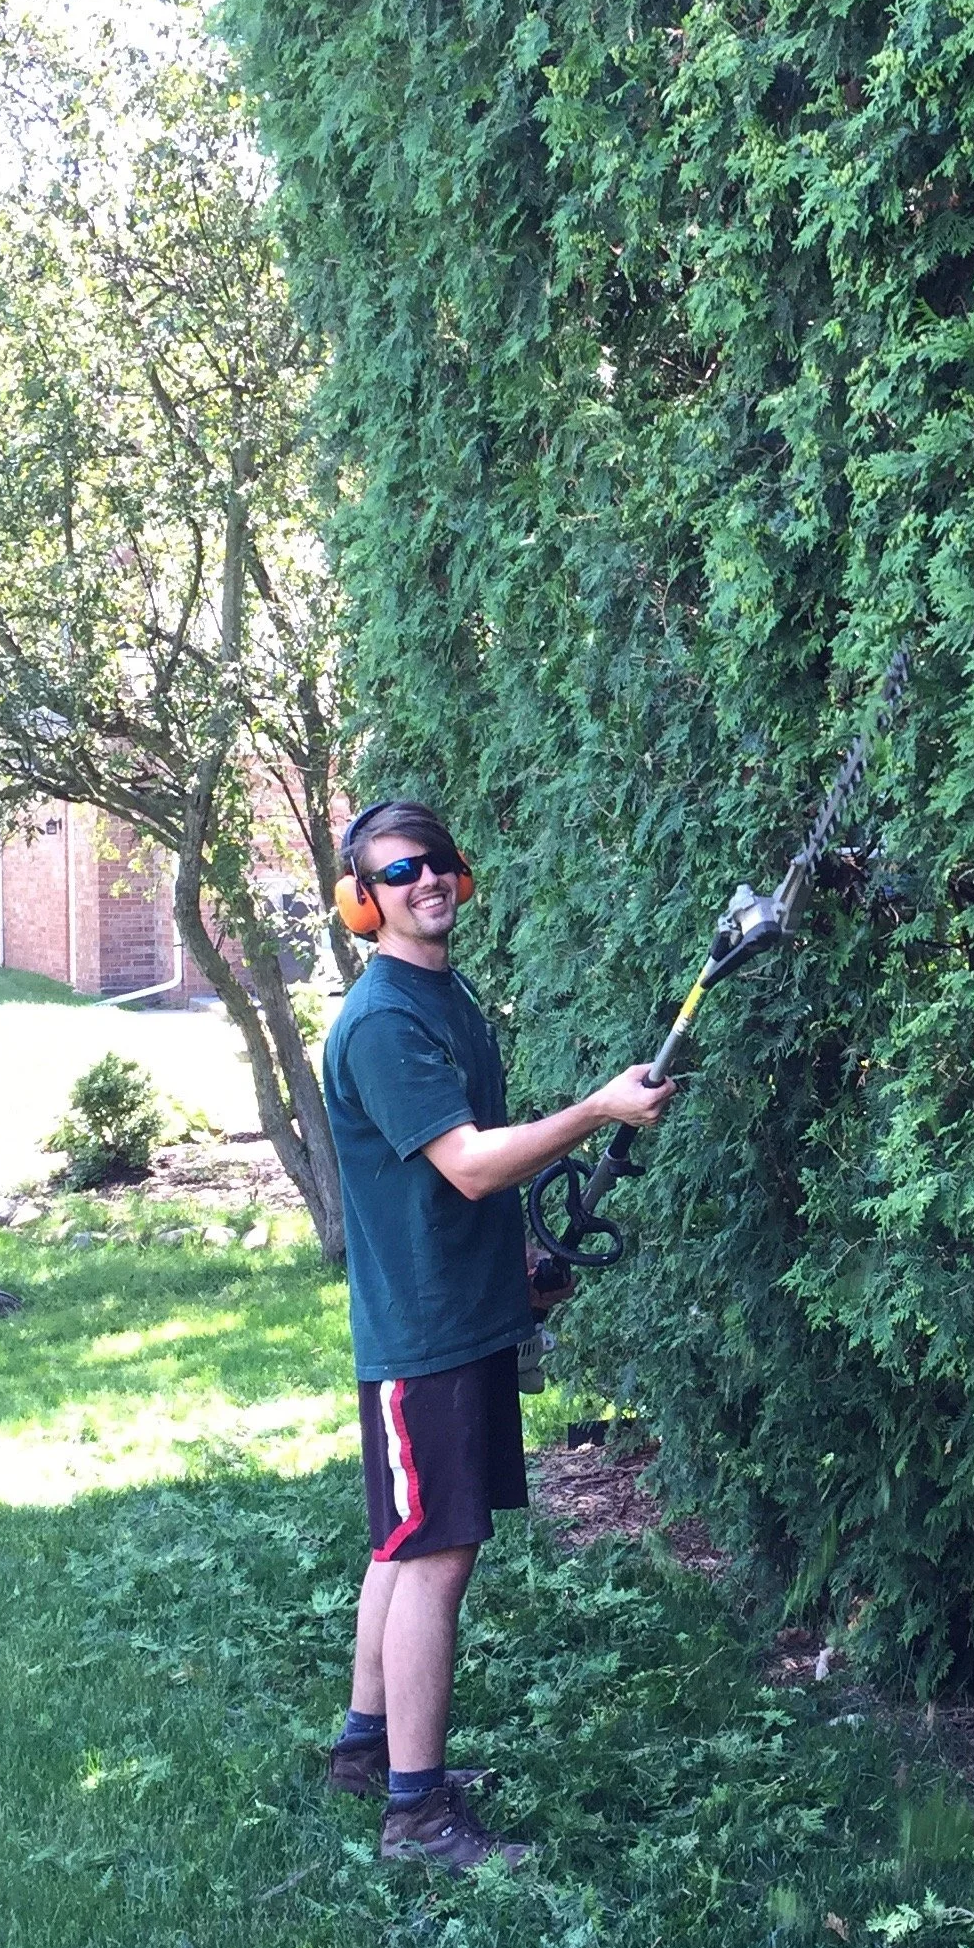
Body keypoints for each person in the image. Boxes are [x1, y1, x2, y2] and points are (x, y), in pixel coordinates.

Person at [319, 797, 673, 1870]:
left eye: (439, 864)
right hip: (422, 1335)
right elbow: (469, 1161)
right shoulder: (384, 1021)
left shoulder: (442, 994)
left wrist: (517, 1265)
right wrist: (600, 1111)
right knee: (433, 1555)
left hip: (455, 1312)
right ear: (362, 903)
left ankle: (368, 1750)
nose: (427, 881)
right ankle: (417, 1817)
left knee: (402, 1543)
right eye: (400, 871)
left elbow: (463, 1186)